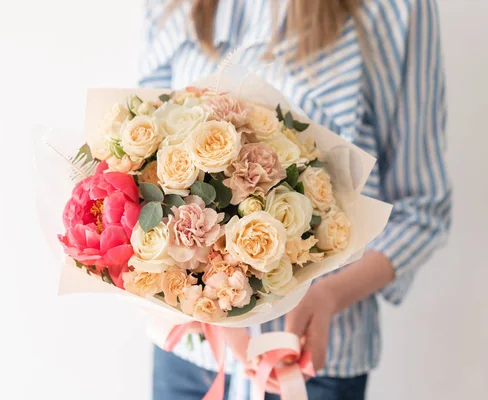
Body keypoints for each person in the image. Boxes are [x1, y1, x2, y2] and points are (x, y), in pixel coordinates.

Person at [137, 0, 451, 399]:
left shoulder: (394, 9)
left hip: (312, 362)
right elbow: (143, 163)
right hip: (191, 357)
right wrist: (193, 295)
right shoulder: (172, 6)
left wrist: (329, 294)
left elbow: (422, 208)